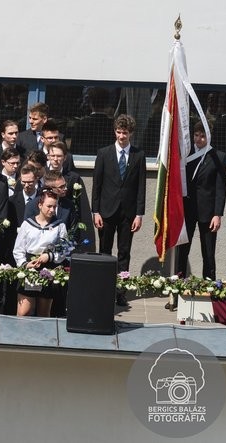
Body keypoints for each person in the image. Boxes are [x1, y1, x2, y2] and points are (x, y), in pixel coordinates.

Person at [91, 114, 146, 306]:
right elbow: (97, 185)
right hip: (106, 211)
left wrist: (139, 214)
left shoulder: (139, 155)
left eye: (125, 133)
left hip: (128, 213)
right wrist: (95, 211)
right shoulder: (104, 153)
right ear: (115, 131)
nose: (121, 136)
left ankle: (121, 291)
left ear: (131, 133)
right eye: (119, 132)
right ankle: (103, 289)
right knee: (105, 251)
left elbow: (141, 187)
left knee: (124, 252)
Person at [175, 122, 226, 283]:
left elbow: (220, 188)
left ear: (209, 137)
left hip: (208, 212)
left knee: (208, 253)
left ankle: (210, 288)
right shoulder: (185, 154)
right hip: (187, 210)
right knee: (182, 251)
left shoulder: (218, 157)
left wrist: (218, 214)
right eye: (196, 135)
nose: (198, 139)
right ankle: (178, 288)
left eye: (202, 136)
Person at [14, 189, 68, 317]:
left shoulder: (59, 225)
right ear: (40, 205)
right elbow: (18, 249)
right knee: (24, 312)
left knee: (43, 313)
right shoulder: (27, 224)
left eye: (54, 207)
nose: (52, 210)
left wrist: (49, 256)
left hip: (48, 268)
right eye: (49, 206)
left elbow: (65, 248)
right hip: (30, 267)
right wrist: (24, 264)